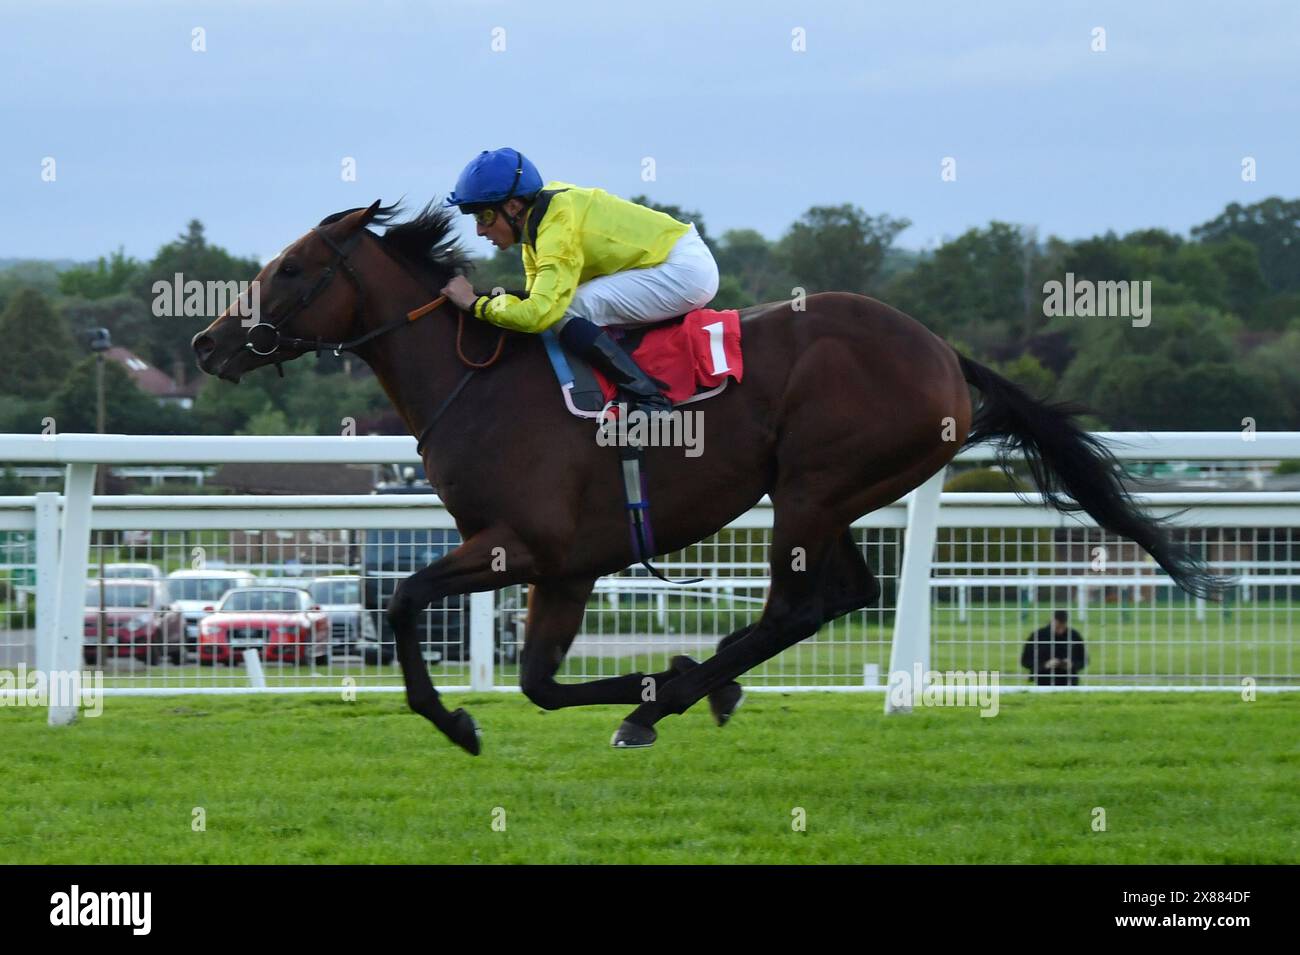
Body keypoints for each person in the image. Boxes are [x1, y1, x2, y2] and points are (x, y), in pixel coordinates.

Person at [438, 148, 720, 415]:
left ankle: (649, 399)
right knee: (565, 310)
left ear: (513, 206)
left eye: (484, 216)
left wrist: (476, 304)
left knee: (569, 310)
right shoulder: (536, 229)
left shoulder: (556, 225)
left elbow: (540, 314)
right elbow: (537, 302)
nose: (479, 230)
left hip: (682, 270)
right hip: (669, 261)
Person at [1021, 610, 1087, 686]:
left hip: (1069, 680)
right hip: (1044, 680)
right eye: (1057, 627)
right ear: (1052, 621)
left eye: (1063, 627)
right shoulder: (1038, 636)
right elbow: (1025, 661)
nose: (1060, 631)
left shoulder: (1074, 635)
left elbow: (1084, 660)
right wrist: (1045, 665)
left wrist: (1072, 664)